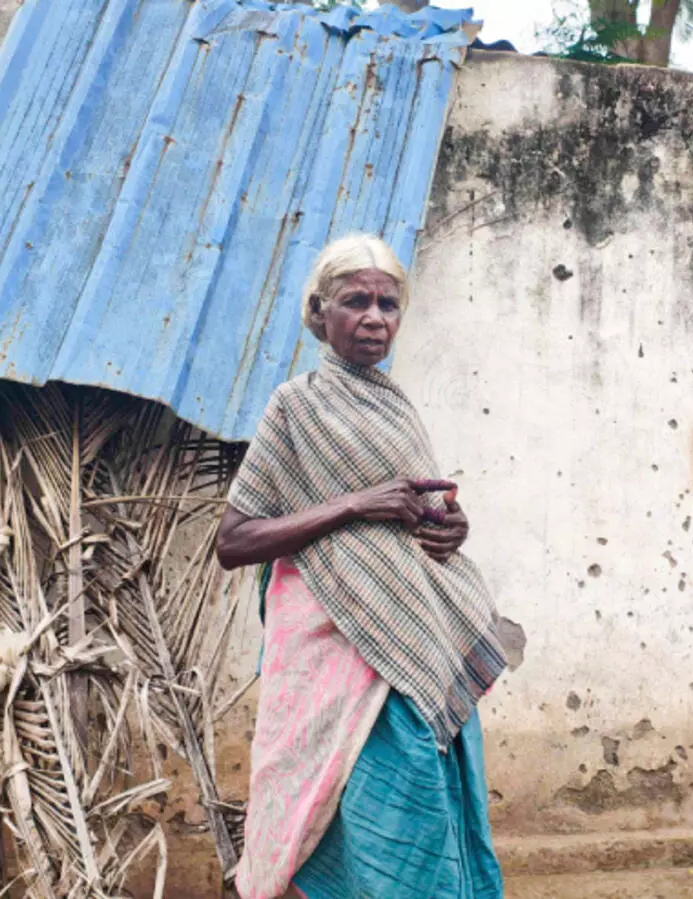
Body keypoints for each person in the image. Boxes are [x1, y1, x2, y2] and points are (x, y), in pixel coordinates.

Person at [217, 234, 507, 899]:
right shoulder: (295, 406)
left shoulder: (395, 404)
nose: (375, 317)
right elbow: (234, 540)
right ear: (319, 314)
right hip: (341, 651)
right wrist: (355, 503)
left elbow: (416, 505)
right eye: (356, 301)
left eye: (387, 303)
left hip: (413, 642)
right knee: (356, 816)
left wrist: (452, 525)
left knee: (424, 817)